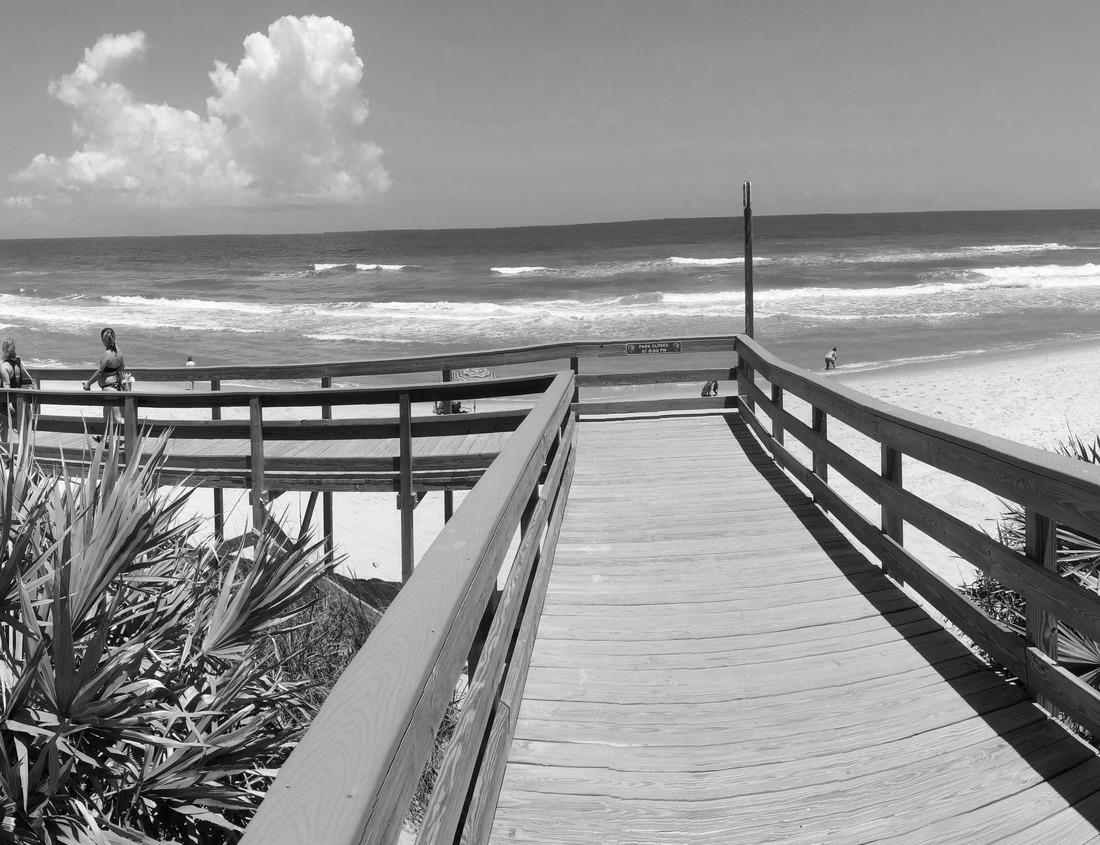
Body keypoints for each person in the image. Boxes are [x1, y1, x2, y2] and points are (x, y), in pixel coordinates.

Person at [83, 327, 126, 424]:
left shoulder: (106, 354)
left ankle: (129, 436)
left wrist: (88, 384)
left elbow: (99, 372)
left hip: (109, 389)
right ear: (114, 338)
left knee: (117, 417)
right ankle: (104, 437)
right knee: (106, 414)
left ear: (103, 340)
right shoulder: (119, 352)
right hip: (117, 387)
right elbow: (122, 369)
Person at [0, 337, 35, 440]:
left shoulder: (4, 367)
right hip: (19, 401)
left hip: (6, 403)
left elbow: (7, 386)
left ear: (4, 350)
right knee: (21, 428)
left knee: (4, 429)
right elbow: (25, 380)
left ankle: (6, 453)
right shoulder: (18, 361)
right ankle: (23, 452)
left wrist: (9, 403)